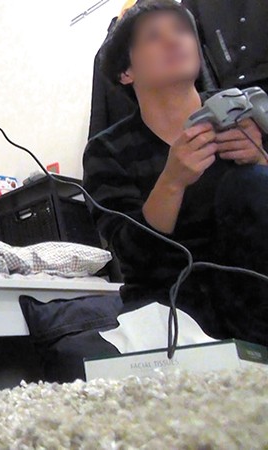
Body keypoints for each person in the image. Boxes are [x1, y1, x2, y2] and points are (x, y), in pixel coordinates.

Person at [83, 0, 268, 346]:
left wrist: (261, 160)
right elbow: (132, 256)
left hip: (253, 292)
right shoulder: (107, 151)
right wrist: (172, 182)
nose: (174, 40)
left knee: (250, 182)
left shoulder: (245, 116)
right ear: (126, 72)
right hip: (170, 303)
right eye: (154, 36)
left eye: (183, 31)